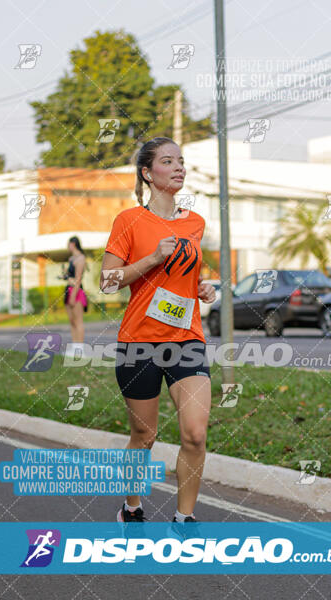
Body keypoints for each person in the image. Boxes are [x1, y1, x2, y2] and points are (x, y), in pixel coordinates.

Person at [100, 136, 216, 524]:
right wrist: (152, 258)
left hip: (187, 340)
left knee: (195, 434)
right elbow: (107, 282)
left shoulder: (195, 223)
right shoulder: (128, 221)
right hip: (140, 342)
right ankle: (131, 508)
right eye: (169, 161)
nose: (179, 167)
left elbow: (188, 277)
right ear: (148, 174)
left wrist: (203, 288)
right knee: (144, 437)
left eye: (181, 160)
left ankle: (184, 519)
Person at [63, 236, 88, 354]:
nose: (67, 246)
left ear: (73, 244)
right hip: (68, 289)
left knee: (78, 321)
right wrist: (65, 275)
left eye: (69, 244)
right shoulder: (71, 258)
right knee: (72, 321)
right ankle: (74, 347)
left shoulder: (81, 258)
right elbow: (70, 276)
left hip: (76, 292)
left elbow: (78, 280)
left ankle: (80, 350)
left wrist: (73, 296)